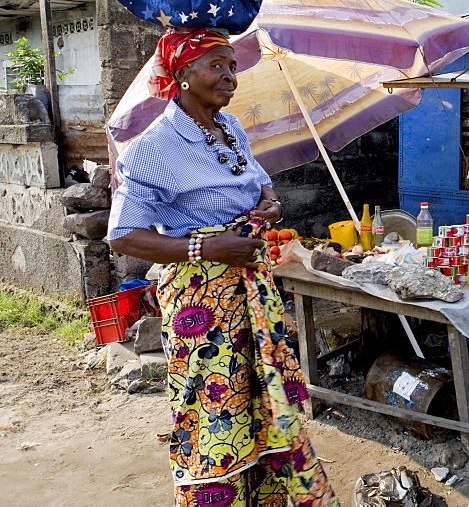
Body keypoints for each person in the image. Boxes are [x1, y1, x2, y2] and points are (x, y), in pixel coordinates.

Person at [108, 28, 336, 506]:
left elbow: (260, 182)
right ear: (183, 75)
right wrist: (206, 250)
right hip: (202, 307)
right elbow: (124, 234)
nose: (231, 76)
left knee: (258, 407)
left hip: (248, 288)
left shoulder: (229, 129)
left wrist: (270, 202)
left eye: (232, 65)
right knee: (215, 413)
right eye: (217, 65)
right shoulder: (154, 147)